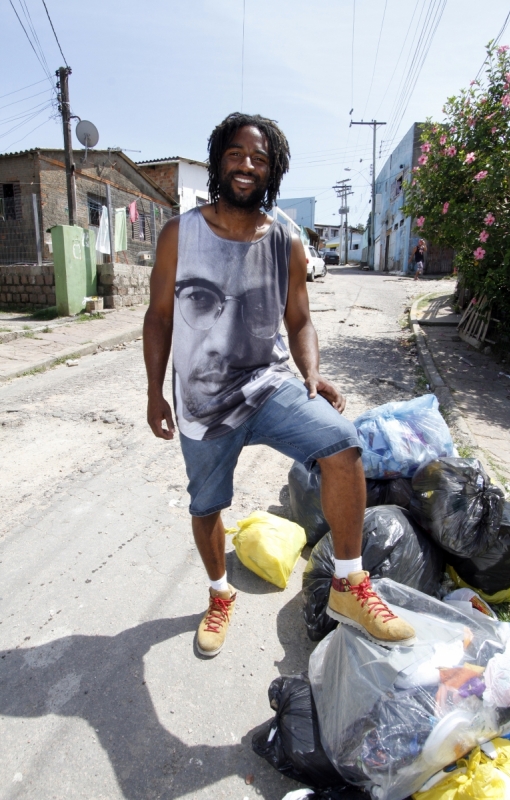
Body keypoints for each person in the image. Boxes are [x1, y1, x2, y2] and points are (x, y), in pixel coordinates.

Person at [143, 112, 415, 657]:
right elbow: (158, 318)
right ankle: (220, 594)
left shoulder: (287, 241)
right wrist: (155, 391)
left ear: (273, 171)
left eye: (259, 159)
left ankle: (349, 583)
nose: (247, 166)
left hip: (268, 385)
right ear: (220, 159)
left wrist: (311, 370)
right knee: (205, 508)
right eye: (237, 155)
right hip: (201, 403)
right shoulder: (181, 234)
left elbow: (299, 320)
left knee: (342, 444)